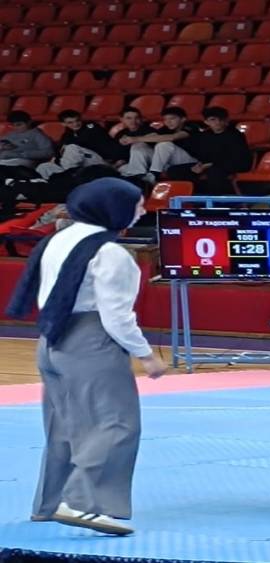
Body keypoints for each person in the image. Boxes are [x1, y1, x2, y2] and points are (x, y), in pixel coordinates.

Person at [5, 177, 168, 536]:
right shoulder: (110, 253)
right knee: (117, 423)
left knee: (64, 426)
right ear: (113, 208)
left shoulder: (56, 239)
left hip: (51, 339)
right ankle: (83, 503)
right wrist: (145, 355)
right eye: (138, 204)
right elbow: (116, 316)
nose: (143, 210)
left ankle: (49, 504)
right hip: (90, 341)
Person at [161, 106, 252, 195]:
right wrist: (199, 165)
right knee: (174, 170)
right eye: (213, 120)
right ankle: (190, 196)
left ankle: (217, 200)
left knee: (214, 171)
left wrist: (209, 165)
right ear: (206, 122)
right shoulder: (204, 136)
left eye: (221, 119)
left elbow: (237, 157)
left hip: (232, 164)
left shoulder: (235, 135)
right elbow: (200, 153)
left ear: (226, 120)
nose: (217, 122)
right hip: (207, 164)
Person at [119, 107, 202, 182]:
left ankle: (153, 175)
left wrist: (135, 139)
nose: (168, 122)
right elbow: (154, 137)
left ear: (183, 119)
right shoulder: (165, 129)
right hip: (168, 163)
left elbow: (173, 137)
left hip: (189, 161)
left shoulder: (191, 126)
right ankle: (138, 175)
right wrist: (128, 140)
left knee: (164, 144)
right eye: (165, 119)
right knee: (138, 146)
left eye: (172, 118)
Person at [36, 111, 120, 180]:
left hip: (101, 161)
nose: (75, 124)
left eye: (77, 120)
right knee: (44, 166)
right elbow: (60, 150)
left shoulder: (91, 126)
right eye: (70, 122)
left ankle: (69, 177)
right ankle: (56, 185)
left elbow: (84, 141)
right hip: (79, 166)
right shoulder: (67, 134)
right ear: (63, 124)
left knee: (72, 148)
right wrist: (56, 159)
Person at [112, 106, 156, 180]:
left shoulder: (148, 130)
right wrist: (119, 161)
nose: (133, 121)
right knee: (121, 169)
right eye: (129, 118)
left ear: (141, 119)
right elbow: (120, 155)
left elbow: (155, 137)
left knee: (138, 145)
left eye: (136, 118)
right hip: (132, 164)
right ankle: (140, 178)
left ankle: (139, 178)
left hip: (152, 162)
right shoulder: (120, 134)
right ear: (122, 119)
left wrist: (135, 139)